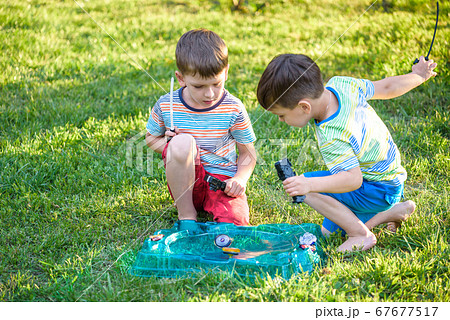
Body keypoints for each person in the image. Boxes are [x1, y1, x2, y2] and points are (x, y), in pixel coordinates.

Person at [256, 54, 437, 252]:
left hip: (377, 188)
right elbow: (387, 87)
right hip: (390, 180)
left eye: (282, 115)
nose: (281, 120)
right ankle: (395, 211)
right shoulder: (341, 84)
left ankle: (361, 235)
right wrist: (418, 75)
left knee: (305, 187)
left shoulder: (332, 135)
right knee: (330, 234)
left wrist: (308, 184)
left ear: (304, 107)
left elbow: (352, 180)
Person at [145, 29, 257, 232]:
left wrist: (240, 179)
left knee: (236, 226)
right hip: (186, 186)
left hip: (222, 183)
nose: (209, 93)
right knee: (181, 142)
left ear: (226, 72)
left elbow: (248, 153)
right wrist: (169, 146)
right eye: (198, 86)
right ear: (181, 78)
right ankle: (187, 217)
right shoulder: (167, 105)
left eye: (217, 83)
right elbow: (151, 138)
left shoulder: (233, 108)